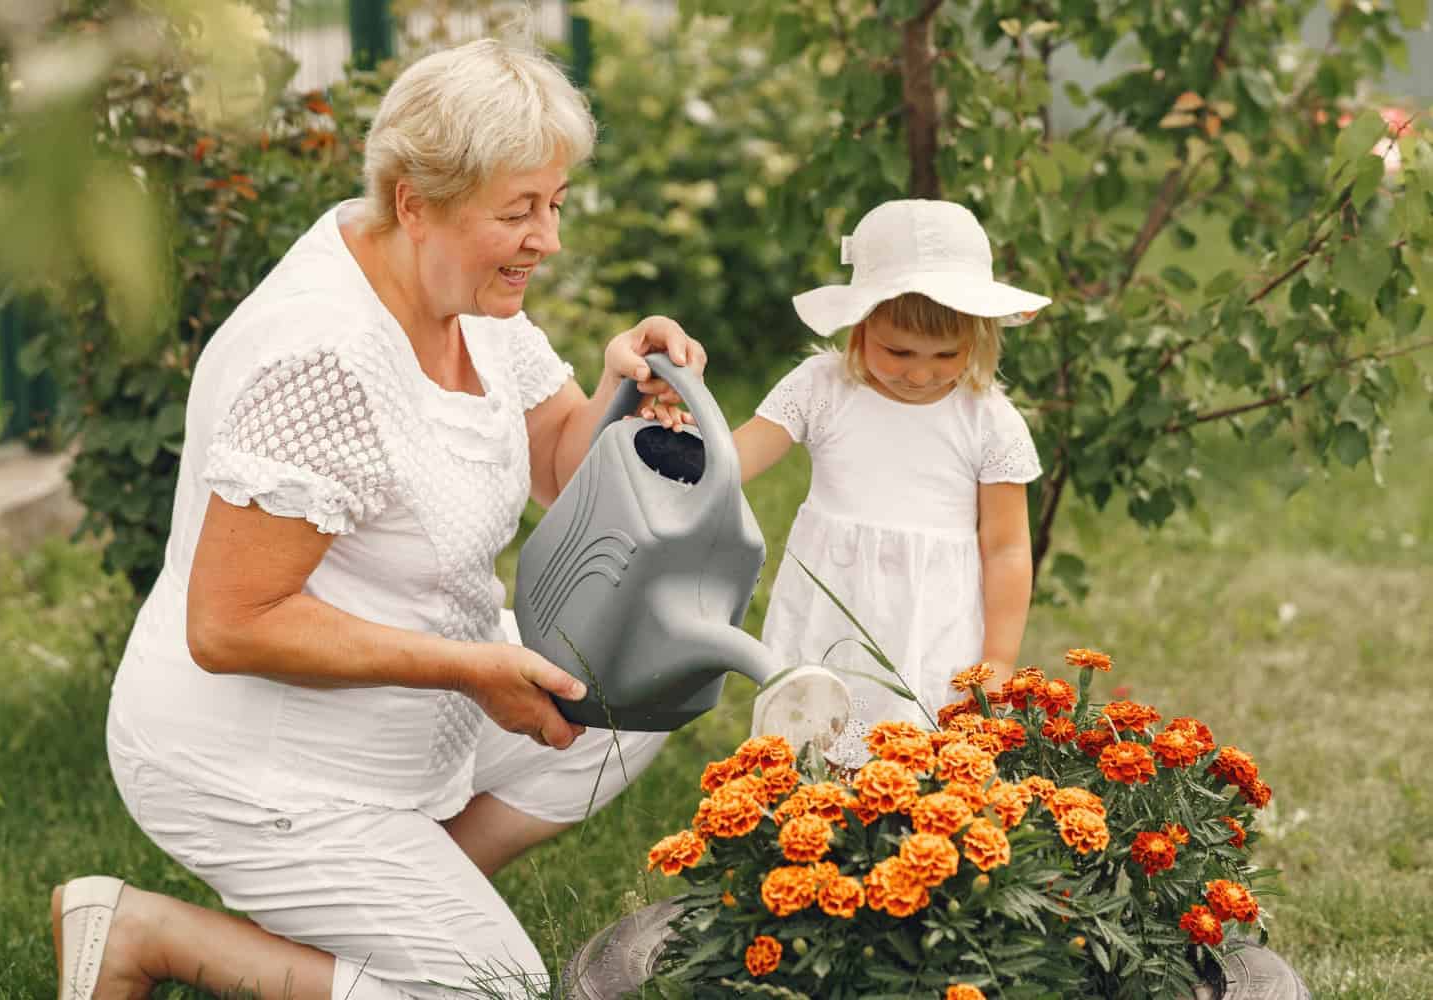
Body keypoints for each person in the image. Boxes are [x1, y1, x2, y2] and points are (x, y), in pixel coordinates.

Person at [52, 35, 708, 1000]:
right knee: (492, 990)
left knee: (638, 694)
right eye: (519, 211)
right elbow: (231, 623)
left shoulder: (464, 291)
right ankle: (145, 935)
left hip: (403, 708)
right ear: (415, 200)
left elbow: (560, 465)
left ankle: (379, 912)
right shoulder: (322, 356)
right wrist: (476, 668)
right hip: (258, 759)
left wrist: (618, 394)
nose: (549, 239)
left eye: (555, 205)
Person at [732, 199, 1051, 766]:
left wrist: (1000, 657)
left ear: (978, 338)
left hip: (932, 620)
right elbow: (736, 458)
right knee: (814, 744)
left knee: (920, 754)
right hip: (833, 602)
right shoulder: (821, 389)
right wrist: (684, 444)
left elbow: (1006, 547)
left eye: (946, 354)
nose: (919, 372)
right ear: (861, 324)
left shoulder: (989, 420)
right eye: (897, 351)